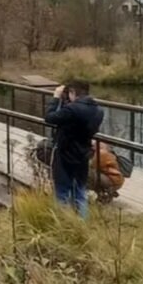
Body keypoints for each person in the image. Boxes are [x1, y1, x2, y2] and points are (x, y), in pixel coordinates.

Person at [43, 79, 104, 218]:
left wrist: (56, 98)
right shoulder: (98, 110)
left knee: (62, 192)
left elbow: (49, 118)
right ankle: (83, 224)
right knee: (80, 192)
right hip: (83, 153)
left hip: (65, 153)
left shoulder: (71, 109)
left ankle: (63, 224)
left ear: (72, 92)